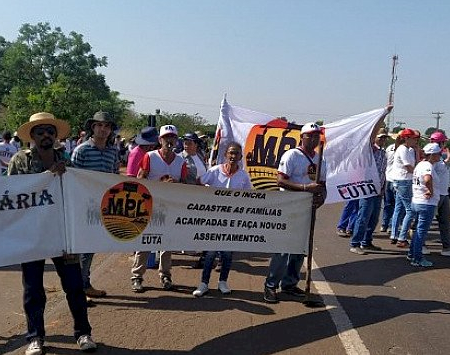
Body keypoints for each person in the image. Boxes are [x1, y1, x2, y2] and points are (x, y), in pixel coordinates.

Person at [7, 111, 96, 355]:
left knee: (74, 285)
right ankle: (35, 337)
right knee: (33, 288)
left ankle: (82, 333)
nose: (45, 135)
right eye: (40, 131)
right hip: (32, 235)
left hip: (63, 233)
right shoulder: (20, 161)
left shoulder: (68, 161)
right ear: (32, 136)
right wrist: (47, 176)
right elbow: (13, 193)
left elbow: (79, 193)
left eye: (50, 131)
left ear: (56, 136)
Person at [263, 123, 327, 304]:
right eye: (310, 136)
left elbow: (323, 186)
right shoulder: (292, 155)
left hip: (308, 209)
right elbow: (281, 180)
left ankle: (289, 283)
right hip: (290, 207)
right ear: (302, 137)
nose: (314, 139)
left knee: (300, 249)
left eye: (316, 136)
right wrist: (306, 188)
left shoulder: (321, 159)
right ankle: (270, 284)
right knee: (283, 249)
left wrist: (320, 199)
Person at [130, 125, 188, 292]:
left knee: (167, 243)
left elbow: (185, 185)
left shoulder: (180, 161)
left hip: (169, 207)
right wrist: (158, 186)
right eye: (166, 138)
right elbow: (140, 179)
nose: (169, 141)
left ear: (176, 141)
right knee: (145, 241)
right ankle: (137, 276)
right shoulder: (150, 156)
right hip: (150, 205)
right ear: (160, 140)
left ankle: (165, 274)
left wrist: (176, 184)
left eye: (172, 138)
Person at [192, 141, 252, 297]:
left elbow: (249, 197)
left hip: (232, 222)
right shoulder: (215, 171)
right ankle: (204, 283)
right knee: (210, 253)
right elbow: (199, 183)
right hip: (213, 220)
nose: (233, 156)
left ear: (240, 157)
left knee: (227, 254)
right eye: (231, 153)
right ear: (225, 154)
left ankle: (223, 281)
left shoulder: (243, 176)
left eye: (237, 153)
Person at [71, 111, 120, 302]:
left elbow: (115, 176)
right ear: (93, 128)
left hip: (103, 206)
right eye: (100, 125)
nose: (103, 129)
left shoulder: (112, 152)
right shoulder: (81, 150)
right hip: (83, 205)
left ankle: (84, 284)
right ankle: (77, 289)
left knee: (90, 247)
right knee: (80, 247)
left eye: (107, 126)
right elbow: (73, 178)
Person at [350, 128, 390, 254]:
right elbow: (370, 140)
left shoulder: (383, 153)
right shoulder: (370, 150)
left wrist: (383, 187)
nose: (383, 140)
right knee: (363, 216)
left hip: (378, 189)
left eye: (384, 138)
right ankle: (355, 243)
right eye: (380, 137)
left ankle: (366, 241)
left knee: (374, 218)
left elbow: (383, 172)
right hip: (367, 188)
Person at [428, 131, 450, 258]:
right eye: (443, 142)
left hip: (444, 194)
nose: (444, 145)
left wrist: (446, 159)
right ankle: (420, 246)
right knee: (426, 221)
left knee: (445, 222)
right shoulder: (432, 156)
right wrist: (448, 159)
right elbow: (434, 171)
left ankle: (447, 248)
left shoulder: (440, 156)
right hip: (435, 194)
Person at [408, 143, 443, 267]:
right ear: (432, 155)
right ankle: (417, 258)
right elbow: (427, 179)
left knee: (417, 230)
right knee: (421, 232)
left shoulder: (420, 165)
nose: (440, 155)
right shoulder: (428, 166)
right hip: (426, 203)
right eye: (439, 153)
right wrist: (431, 190)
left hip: (417, 201)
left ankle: (412, 253)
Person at [390, 128, 420, 247]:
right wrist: (419, 174)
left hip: (404, 180)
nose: (415, 141)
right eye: (413, 139)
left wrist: (417, 152)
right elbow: (408, 167)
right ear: (407, 139)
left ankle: (394, 234)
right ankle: (402, 237)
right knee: (410, 210)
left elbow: (415, 163)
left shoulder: (410, 150)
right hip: (403, 181)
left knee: (399, 208)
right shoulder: (403, 149)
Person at [380, 133, 397, 233]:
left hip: (389, 178)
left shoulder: (389, 148)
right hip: (392, 179)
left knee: (389, 204)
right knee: (393, 205)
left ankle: (386, 224)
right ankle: (388, 225)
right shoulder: (407, 150)